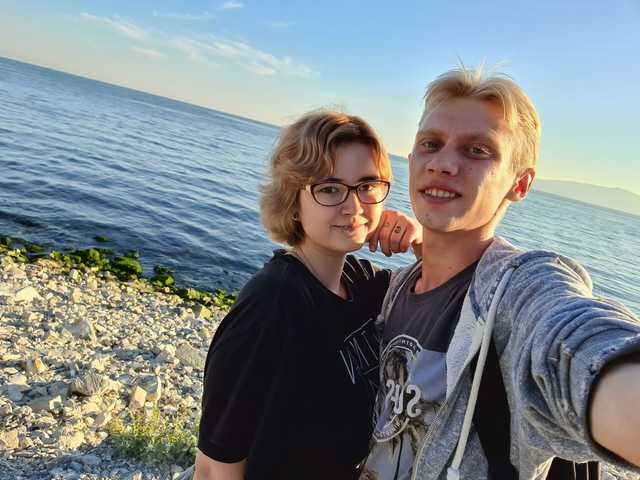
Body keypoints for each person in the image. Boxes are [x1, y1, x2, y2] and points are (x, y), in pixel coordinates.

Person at [361, 67, 640, 480]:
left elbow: (571, 338)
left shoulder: (518, 291)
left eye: (477, 151)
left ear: (520, 184)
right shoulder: (399, 287)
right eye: (430, 144)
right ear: (412, 158)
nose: (443, 163)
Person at [192, 111, 422, 480]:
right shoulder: (271, 305)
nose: (354, 206)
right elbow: (214, 465)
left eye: (367, 186)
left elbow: (443, 295)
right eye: (329, 188)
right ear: (293, 201)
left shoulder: (364, 284)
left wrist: (421, 241)